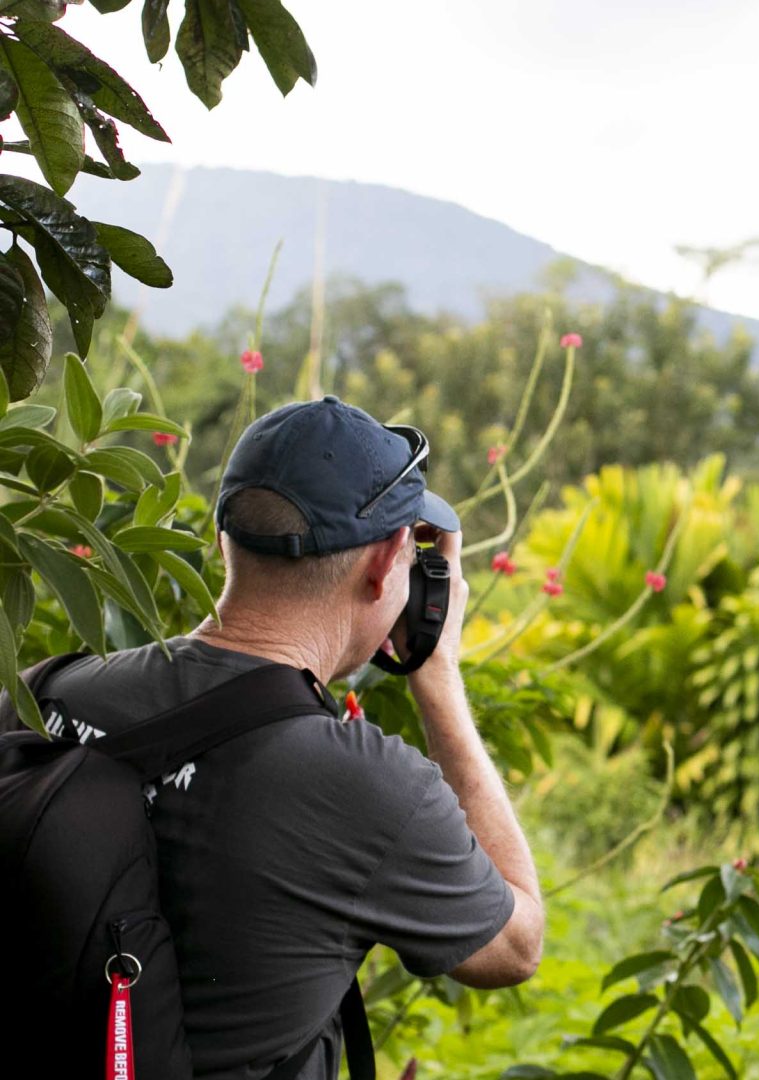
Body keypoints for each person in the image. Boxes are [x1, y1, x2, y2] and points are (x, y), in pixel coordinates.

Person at [30, 396, 544, 1078]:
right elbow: (515, 947)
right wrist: (439, 677)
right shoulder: (366, 786)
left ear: (223, 541)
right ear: (389, 560)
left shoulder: (45, 690)